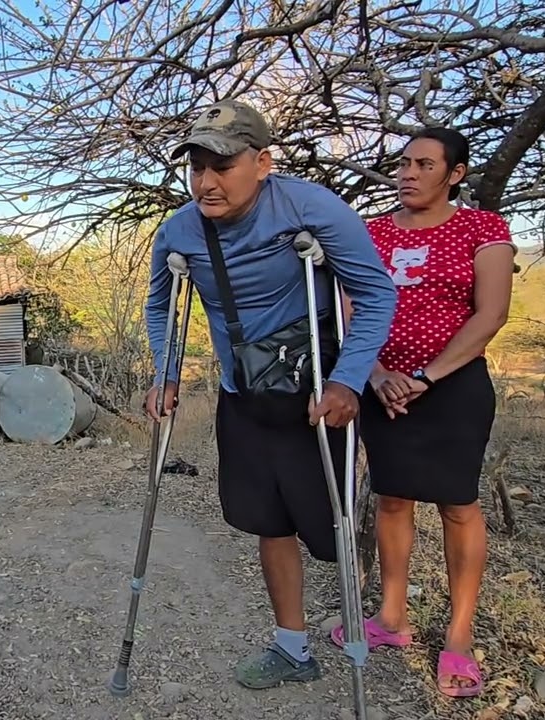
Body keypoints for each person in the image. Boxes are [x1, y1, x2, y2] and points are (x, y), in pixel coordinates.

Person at [144, 100, 398, 690]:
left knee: (327, 525)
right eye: (195, 167)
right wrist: (167, 370)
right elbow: (161, 306)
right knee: (269, 522)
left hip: (314, 396)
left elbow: (375, 292)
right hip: (243, 396)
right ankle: (292, 645)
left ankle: (366, 618)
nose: (205, 182)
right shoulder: (180, 230)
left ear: (262, 162)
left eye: (221, 166)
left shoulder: (311, 208)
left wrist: (348, 380)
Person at [328, 127, 515, 698]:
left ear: (455, 174)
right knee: (392, 496)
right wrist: (377, 372)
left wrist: (426, 376)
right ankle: (391, 618)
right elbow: (351, 307)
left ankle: (458, 639)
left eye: (425, 164)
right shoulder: (371, 232)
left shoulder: (483, 229)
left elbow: (491, 315)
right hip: (382, 384)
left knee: (458, 505)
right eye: (405, 163)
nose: (409, 173)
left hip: (452, 386)